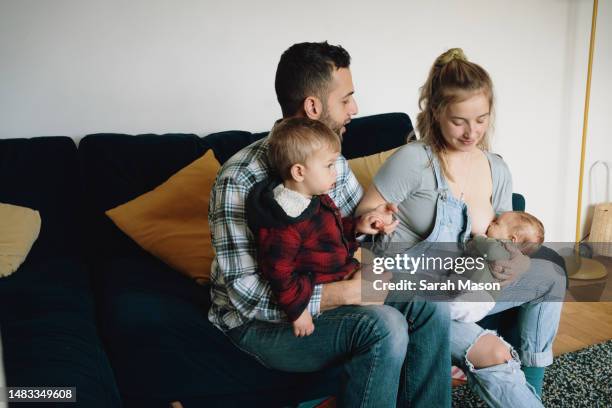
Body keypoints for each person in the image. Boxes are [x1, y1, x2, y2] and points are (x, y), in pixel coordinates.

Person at [208, 41, 451, 407]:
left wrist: (373, 226)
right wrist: (345, 294)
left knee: (430, 304)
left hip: (330, 283)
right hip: (260, 324)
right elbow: (247, 297)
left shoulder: (330, 160)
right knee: (384, 326)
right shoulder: (239, 179)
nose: (354, 109)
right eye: (346, 99)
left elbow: (352, 234)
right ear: (312, 107)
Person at [357, 48, 565, 406]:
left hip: (471, 289)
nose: (472, 133)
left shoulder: (496, 168)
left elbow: (507, 232)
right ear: (436, 112)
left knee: (552, 277)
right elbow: (362, 223)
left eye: (481, 119)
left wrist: (514, 261)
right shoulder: (413, 161)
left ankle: (533, 388)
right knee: (495, 355)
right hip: (419, 299)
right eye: (459, 121)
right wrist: (376, 222)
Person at [247, 118, 388, 337]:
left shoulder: (314, 197)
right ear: (299, 172)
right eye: (329, 165)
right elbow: (278, 271)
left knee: (405, 284)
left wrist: (357, 226)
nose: (335, 171)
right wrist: (297, 311)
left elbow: (331, 231)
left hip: (342, 269)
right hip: (326, 284)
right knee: (386, 306)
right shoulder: (285, 219)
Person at [450, 211, 545, 323]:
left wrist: (478, 237)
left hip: (476, 296)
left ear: (511, 239)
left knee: (448, 308)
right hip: (469, 291)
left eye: (496, 222)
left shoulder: (503, 250)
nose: (491, 223)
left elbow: (490, 250)